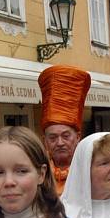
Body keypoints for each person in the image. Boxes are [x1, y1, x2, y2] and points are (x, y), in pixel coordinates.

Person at [38, 65, 92, 194]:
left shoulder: (91, 169)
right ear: (44, 140)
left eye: (66, 136)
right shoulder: (36, 172)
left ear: (78, 137)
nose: (60, 143)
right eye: (53, 137)